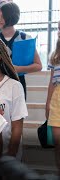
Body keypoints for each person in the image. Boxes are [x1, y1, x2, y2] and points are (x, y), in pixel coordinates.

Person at [0, 2, 42, 99]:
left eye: (3, 17)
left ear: (12, 16)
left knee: (19, 113)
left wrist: (19, 69)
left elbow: (38, 66)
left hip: (19, 83)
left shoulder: (25, 38)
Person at [46, 20, 60, 174]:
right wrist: (48, 103)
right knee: (58, 143)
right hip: (57, 98)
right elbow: (51, 82)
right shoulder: (55, 55)